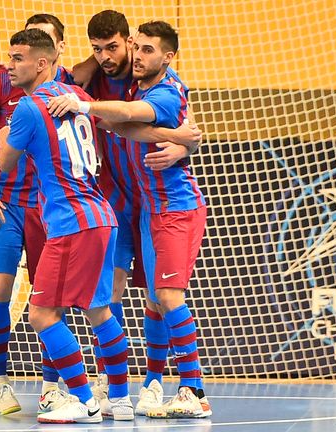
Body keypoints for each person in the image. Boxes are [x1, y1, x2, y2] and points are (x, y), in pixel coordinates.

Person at [47, 20, 212, 419]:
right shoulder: (114, 78)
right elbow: (58, 77)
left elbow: (130, 116)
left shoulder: (162, 89)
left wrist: (182, 141)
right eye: (137, 49)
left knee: (165, 297)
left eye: (131, 49)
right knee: (119, 291)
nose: (128, 57)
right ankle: (113, 381)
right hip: (123, 203)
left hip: (169, 204)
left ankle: (178, 385)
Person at [0, 28, 133, 424]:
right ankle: (119, 400)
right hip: (102, 217)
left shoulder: (26, 108)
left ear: (42, 63)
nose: (10, 65)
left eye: (17, 58)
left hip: (71, 222)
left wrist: (4, 134)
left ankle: (85, 399)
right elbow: (117, 124)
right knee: (98, 310)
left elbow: (4, 164)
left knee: (41, 314)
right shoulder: (79, 99)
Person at [0, 14, 75, 416]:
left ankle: (50, 387)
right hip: (5, 204)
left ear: (54, 50)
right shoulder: (1, 81)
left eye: (41, 42)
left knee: (50, 303)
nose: (20, 57)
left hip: (48, 208)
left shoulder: (71, 89)